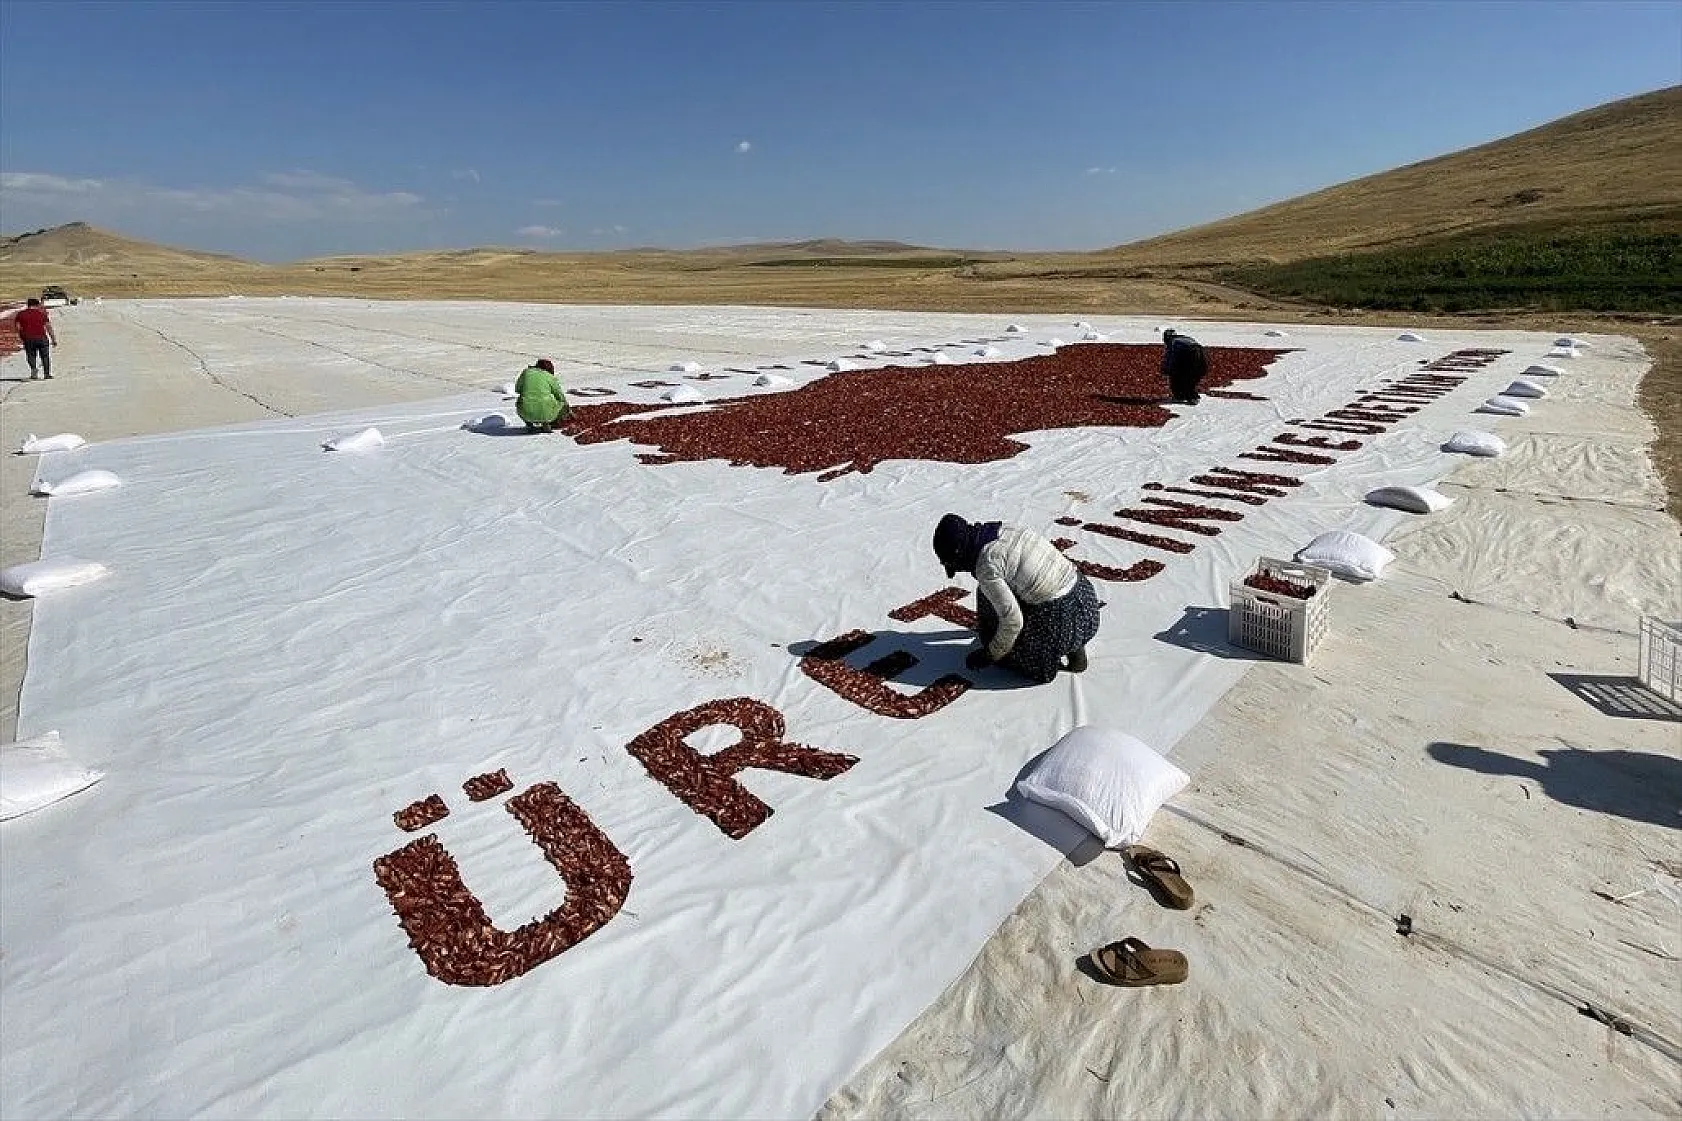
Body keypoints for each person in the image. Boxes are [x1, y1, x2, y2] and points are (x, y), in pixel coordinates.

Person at [931, 513, 1101, 684]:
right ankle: (1075, 646)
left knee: (1012, 651)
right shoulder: (1004, 529)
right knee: (996, 590)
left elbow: (1013, 622)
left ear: (959, 555)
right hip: (1085, 601)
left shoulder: (987, 566)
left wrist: (990, 654)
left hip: (1060, 619)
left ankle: (1055, 650)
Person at [514, 358, 569, 432]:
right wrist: (566, 407)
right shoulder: (549, 377)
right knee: (561, 404)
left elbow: (517, 389)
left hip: (525, 412)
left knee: (521, 402)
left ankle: (529, 423)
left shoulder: (526, 372)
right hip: (546, 413)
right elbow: (560, 396)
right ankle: (547, 422)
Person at [1160, 327, 1207, 405]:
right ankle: (1189, 395)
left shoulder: (1173, 342)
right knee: (1192, 377)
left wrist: (1166, 369)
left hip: (1190, 354)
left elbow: (1171, 357)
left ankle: (1184, 396)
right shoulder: (1185, 338)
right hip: (1201, 354)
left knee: (1178, 376)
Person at [15, 298, 58, 380]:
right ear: (37, 305)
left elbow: (18, 327)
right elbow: (48, 327)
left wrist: (22, 337)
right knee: (45, 356)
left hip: (28, 338)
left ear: (28, 304)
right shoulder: (42, 314)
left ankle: (34, 372)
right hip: (42, 338)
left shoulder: (21, 314)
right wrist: (53, 339)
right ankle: (47, 374)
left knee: (31, 356)